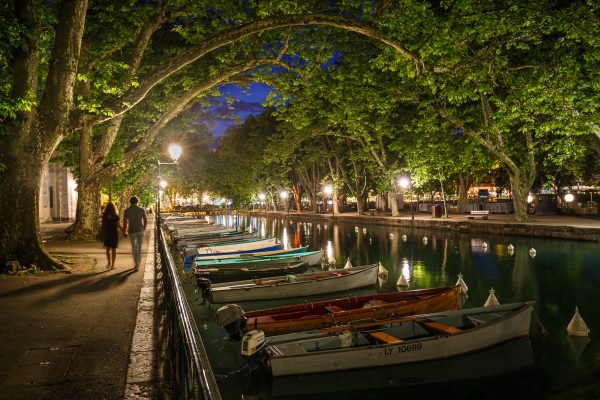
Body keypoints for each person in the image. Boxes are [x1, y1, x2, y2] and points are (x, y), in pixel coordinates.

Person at [122, 196, 147, 271]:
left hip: (132, 231)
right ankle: (137, 264)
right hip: (140, 230)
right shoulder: (141, 209)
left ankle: (136, 263)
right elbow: (145, 220)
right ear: (137, 201)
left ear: (130, 202)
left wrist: (124, 231)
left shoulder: (127, 210)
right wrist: (144, 229)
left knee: (134, 248)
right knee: (139, 248)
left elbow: (125, 222)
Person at [101, 202, 122, 270]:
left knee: (108, 249)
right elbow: (119, 226)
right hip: (114, 234)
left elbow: (103, 225)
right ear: (114, 208)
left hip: (107, 234)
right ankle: (112, 265)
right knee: (114, 250)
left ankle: (109, 262)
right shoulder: (116, 216)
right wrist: (124, 231)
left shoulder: (104, 215)